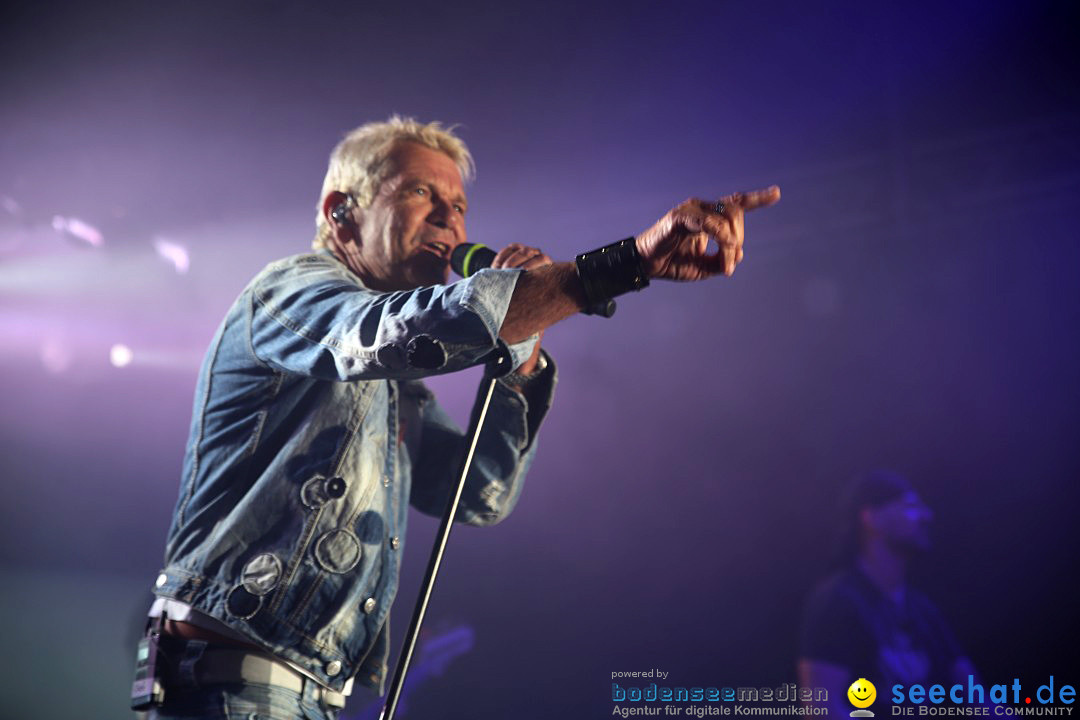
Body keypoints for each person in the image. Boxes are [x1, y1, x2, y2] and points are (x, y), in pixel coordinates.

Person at [136, 116, 780, 719]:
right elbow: (384, 333)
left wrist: (523, 348)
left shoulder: (399, 383)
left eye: (460, 205)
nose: (450, 217)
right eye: (421, 193)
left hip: (313, 691)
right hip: (232, 676)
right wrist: (622, 265)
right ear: (343, 213)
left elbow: (478, 493)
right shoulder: (291, 290)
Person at [797, 470, 978, 716]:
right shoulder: (838, 601)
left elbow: (978, 700)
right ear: (871, 518)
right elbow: (821, 710)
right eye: (910, 506)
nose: (926, 515)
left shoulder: (921, 609)